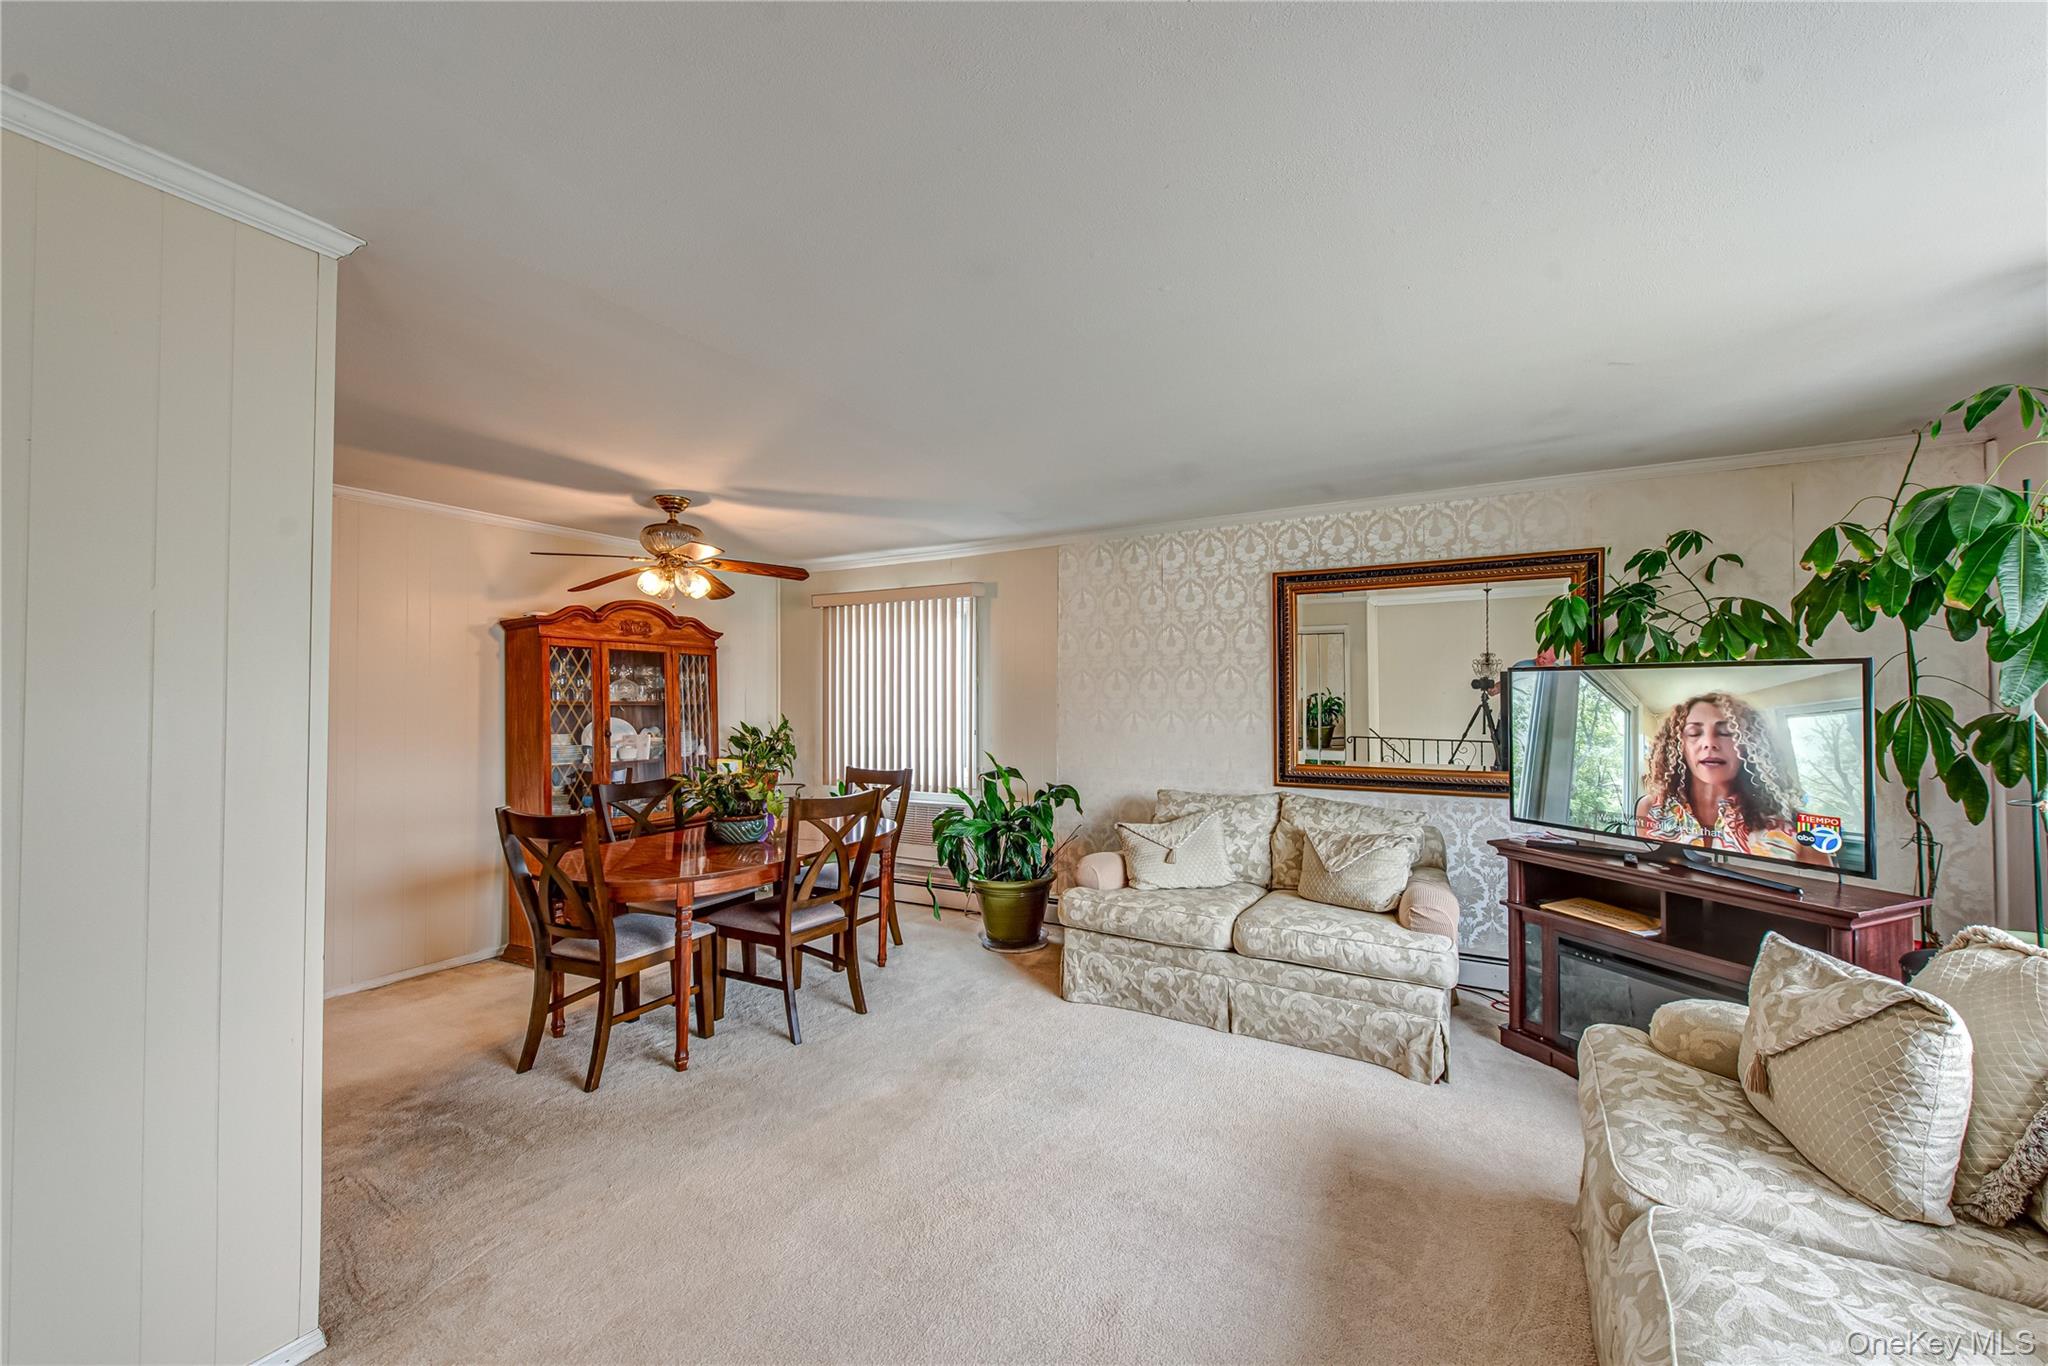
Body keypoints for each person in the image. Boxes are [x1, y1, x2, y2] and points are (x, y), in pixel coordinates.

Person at [1633, 692, 1835, 868]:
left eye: (1726, 732)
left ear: (1748, 744)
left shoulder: (1800, 829)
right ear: (1679, 746)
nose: (1709, 743)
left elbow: (1823, 894)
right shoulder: (1651, 809)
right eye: (1694, 733)